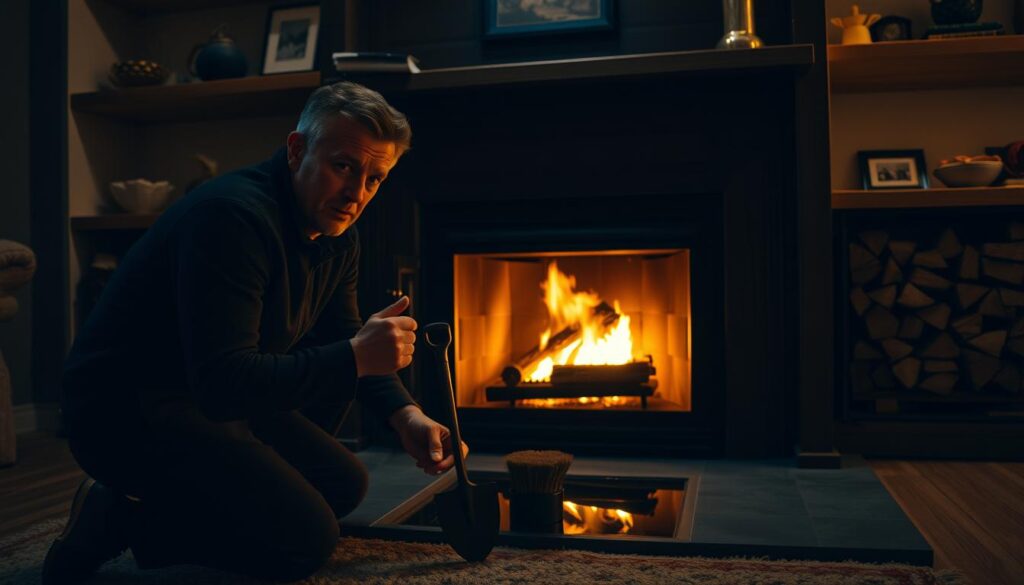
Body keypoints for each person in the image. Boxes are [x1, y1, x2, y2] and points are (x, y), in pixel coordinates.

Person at [43, 81, 464, 583]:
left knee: (342, 485)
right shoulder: (231, 218)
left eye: (375, 178)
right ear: (296, 149)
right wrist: (355, 356)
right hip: (126, 411)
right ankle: (119, 520)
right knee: (307, 542)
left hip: (210, 398)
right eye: (343, 166)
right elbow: (226, 382)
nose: (357, 194)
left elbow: (348, 334)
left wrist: (407, 415)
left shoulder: (336, 235)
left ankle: (142, 513)